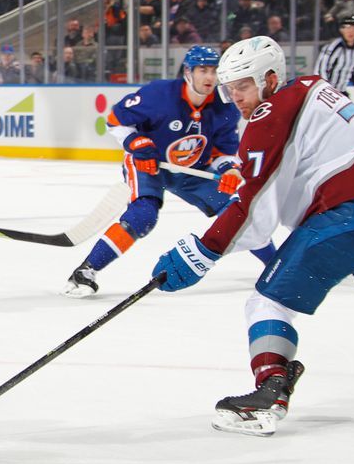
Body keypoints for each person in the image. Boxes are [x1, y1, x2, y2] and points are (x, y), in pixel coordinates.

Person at [151, 36, 354, 436]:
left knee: (266, 300)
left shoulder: (270, 113)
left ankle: (270, 390)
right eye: (230, 88)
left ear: (271, 78)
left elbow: (257, 212)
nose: (235, 97)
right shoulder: (314, 88)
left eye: (243, 85)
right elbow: (308, 166)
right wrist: (247, 176)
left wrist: (200, 251)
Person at [65, 46, 276, 297]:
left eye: (214, 71)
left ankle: (276, 266)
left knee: (235, 212)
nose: (210, 77)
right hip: (149, 164)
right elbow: (115, 120)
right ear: (188, 72)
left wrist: (229, 170)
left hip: (192, 169)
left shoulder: (224, 106)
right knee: (143, 215)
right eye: (203, 70)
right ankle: (86, 271)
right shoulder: (159, 94)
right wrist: (136, 144)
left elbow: (224, 151)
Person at [315, 14, 354, 95]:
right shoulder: (333, 47)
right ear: (342, 30)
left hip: (341, 92)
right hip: (326, 92)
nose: (351, 31)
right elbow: (321, 68)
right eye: (347, 28)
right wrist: (326, 88)